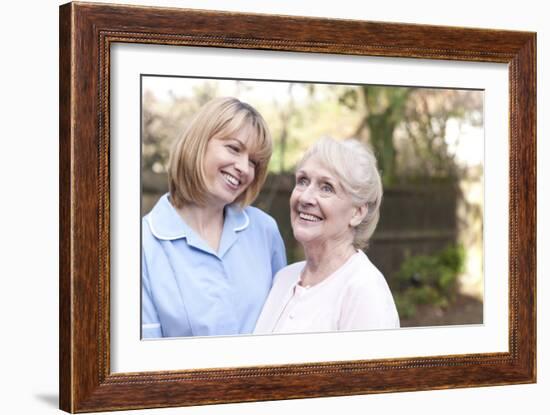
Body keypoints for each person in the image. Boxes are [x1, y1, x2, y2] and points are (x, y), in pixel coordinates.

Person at [142, 97, 287, 338]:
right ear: (199, 143)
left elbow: (283, 327)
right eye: (234, 148)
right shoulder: (142, 246)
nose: (243, 167)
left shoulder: (265, 231)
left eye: (253, 162)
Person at [254, 137, 399, 334]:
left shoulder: (364, 290)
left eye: (326, 187)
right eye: (303, 181)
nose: (305, 198)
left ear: (357, 213)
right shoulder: (283, 279)